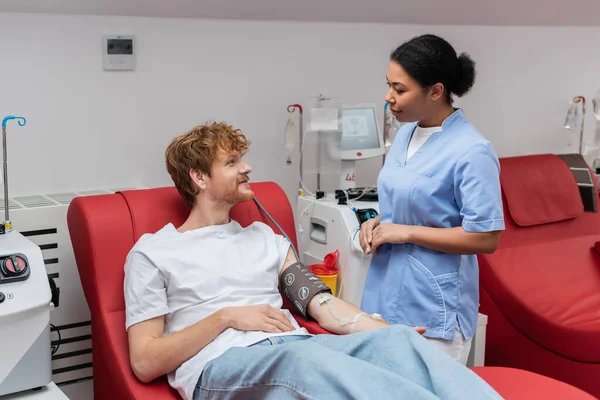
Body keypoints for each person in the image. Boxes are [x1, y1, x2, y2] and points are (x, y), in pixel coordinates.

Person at [123, 121, 503, 400]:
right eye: (232, 161)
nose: (247, 168)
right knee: (302, 362)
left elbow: (320, 304)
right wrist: (226, 318)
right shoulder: (153, 252)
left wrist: (377, 327)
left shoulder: (265, 239)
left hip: (295, 348)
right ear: (198, 177)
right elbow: (145, 360)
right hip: (223, 367)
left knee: (397, 343)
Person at [359, 34, 505, 365]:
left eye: (400, 90)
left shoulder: (472, 151)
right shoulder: (405, 134)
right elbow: (411, 205)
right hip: (384, 291)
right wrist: (379, 223)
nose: (388, 98)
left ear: (435, 91)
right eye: (389, 86)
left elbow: (486, 237)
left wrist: (405, 231)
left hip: (432, 304)